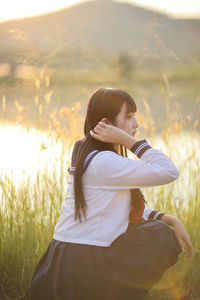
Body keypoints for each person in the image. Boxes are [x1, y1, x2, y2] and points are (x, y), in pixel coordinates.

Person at [25, 88, 193, 300]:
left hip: (69, 257)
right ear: (106, 123)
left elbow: (111, 207)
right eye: (129, 117)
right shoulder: (103, 161)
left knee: (158, 228)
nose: (136, 124)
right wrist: (129, 142)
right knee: (159, 235)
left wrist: (166, 217)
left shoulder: (88, 152)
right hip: (80, 262)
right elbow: (169, 171)